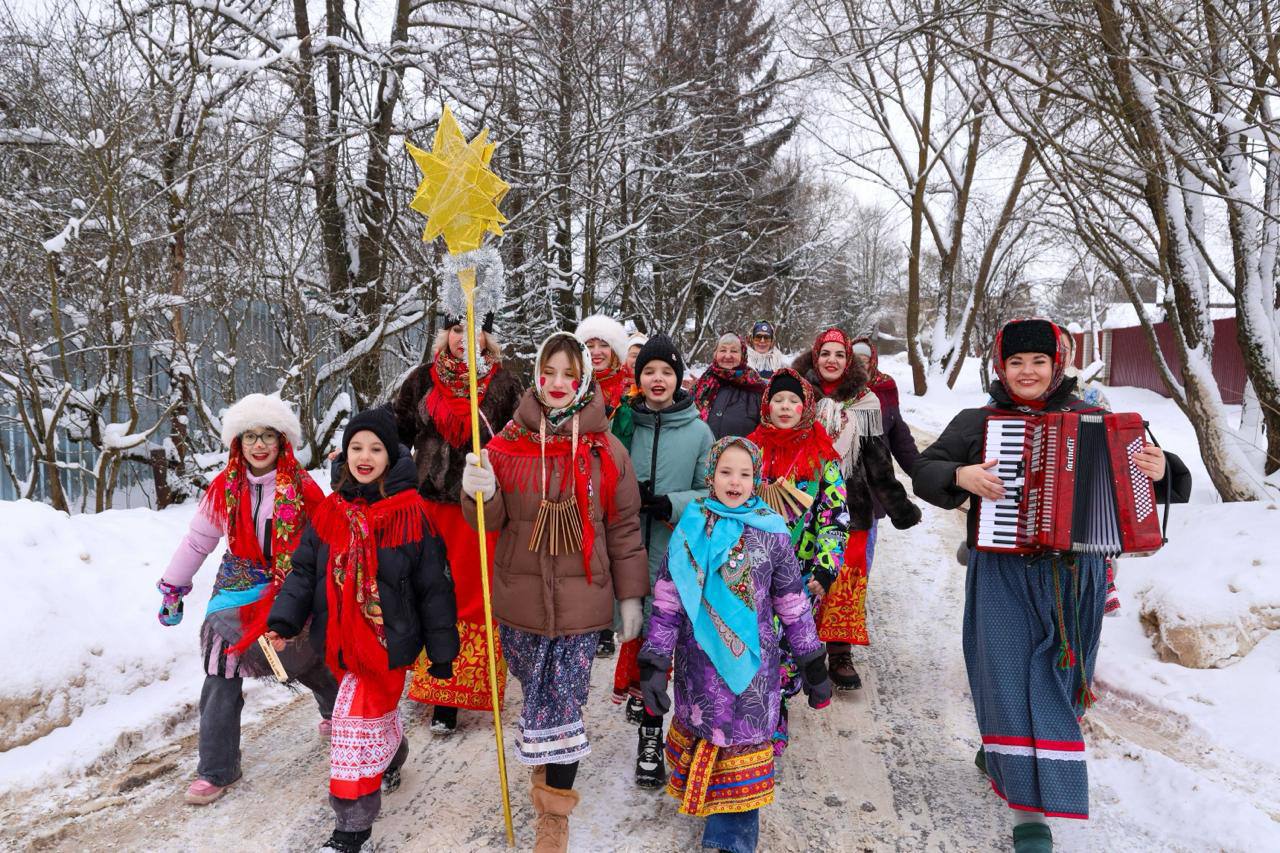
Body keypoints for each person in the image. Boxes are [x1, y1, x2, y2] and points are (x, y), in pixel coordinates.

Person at [911, 318, 1169, 853]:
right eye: (1015, 362)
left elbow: (1148, 477)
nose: (1026, 372)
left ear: (1058, 366)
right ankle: (1031, 813)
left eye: (1038, 362)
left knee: (1060, 678)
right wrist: (960, 477)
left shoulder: (1097, 418)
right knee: (1004, 676)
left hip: (1074, 579)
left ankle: (1013, 757)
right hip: (1002, 571)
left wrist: (1162, 467)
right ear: (1000, 367)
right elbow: (924, 467)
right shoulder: (980, 420)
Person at [459, 332, 649, 853]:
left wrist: (630, 597)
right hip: (518, 603)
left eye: (569, 373)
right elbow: (488, 521)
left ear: (585, 378)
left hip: (583, 603)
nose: (558, 383)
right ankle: (544, 774)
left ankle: (553, 815)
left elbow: (625, 528)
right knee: (538, 698)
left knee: (564, 705)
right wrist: (480, 489)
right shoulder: (504, 444)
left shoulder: (607, 451)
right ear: (537, 377)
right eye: (549, 372)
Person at [266, 409, 459, 853]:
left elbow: (434, 586)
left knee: (350, 727)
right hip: (340, 643)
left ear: (392, 456)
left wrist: (442, 651)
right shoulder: (330, 513)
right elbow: (303, 571)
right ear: (345, 453)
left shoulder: (412, 515)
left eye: (375, 448)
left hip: (387, 646)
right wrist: (283, 621)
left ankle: (350, 832)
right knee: (371, 720)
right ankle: (393, 753)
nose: (364, 457)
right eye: (356, 448)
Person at [640, 437, 832, 853]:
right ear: (711, 475)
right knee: (708, 742)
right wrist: (655, 660)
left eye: (745, 474)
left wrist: (813, 661)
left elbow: (793, 603)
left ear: (756, 478)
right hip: (698, 664)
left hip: (754, 673)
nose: (735, 481)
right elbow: (669, 597)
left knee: (744, 751)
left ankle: (733, 842)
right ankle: (717, 825)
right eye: (726, 471)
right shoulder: (691, 525)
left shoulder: (772, 531)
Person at [157, 393, 333, 806]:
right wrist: (172, 586)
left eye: (267, 436)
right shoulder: (224, 487)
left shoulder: (304, 488)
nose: (258, 445)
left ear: (282, 441)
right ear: (237, 442)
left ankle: (335, 714)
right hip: (236, 588)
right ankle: (217, 768)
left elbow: (326, 540)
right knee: (221, 672)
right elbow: (199, 540)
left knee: (310, 663)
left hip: (292, 588)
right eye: (249, 436)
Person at [389, 313, 521, 735]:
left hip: (477, 508)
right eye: (456, 328)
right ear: (445, 334)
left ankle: (462, 690)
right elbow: (397, 430)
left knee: (472, 596)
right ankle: (434, 681)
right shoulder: (421, 380)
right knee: (430, 591)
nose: (464, 337)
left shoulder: (503, 384)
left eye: (474, 328)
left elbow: (519, 440)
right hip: (428, 506)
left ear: (487, 336)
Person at [609, 334, 714, 788]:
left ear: (678, 379)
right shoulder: (623, 423)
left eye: (666, 372)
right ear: (638, 378)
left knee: (666, 651)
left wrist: (670, 503)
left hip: (676, 561)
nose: (657, 379)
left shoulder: (698, 431)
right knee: (639, 645)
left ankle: (656, 738)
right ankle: (647, 720)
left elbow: (714, 495)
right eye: (649, 371)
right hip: (627, 554)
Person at [796, 330, 921, 690]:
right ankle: (798, 651)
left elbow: (879, 461)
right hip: (802, 503)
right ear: (815, 357)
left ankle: (839, 653)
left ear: (848, 361)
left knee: (843, 582)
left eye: (839, 354)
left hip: (852, 508)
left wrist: (899, 508)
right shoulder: (797, 394)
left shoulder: (866, 402)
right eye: (825, 354)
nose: (831, 360)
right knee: (799, 577)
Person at [745, 368, 850, 753]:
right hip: (750, 574)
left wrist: (825, 568)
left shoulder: (824, 458)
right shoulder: (749, 452)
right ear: (766, 405)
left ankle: (775, 720)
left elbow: (835, 518)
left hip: (801, 577)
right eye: (779, 400)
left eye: (794, 401)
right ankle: (752, 723)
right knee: (753, 648)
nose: (785, 407)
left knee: (785, 650)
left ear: (806, 407)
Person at [693, 332, 767, 440]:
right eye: (723, 350)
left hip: (741, 455)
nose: (728, 356)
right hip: (702, 455)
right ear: (715, 354)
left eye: (734, 351)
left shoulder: (757, 388)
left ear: (743, 355)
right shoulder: (703, 384)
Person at [575, 314, 632, 413]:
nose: (596, 352)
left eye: (604, 345)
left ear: (615, 352)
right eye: (590, 346)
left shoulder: (631, 391)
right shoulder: (571, 387)